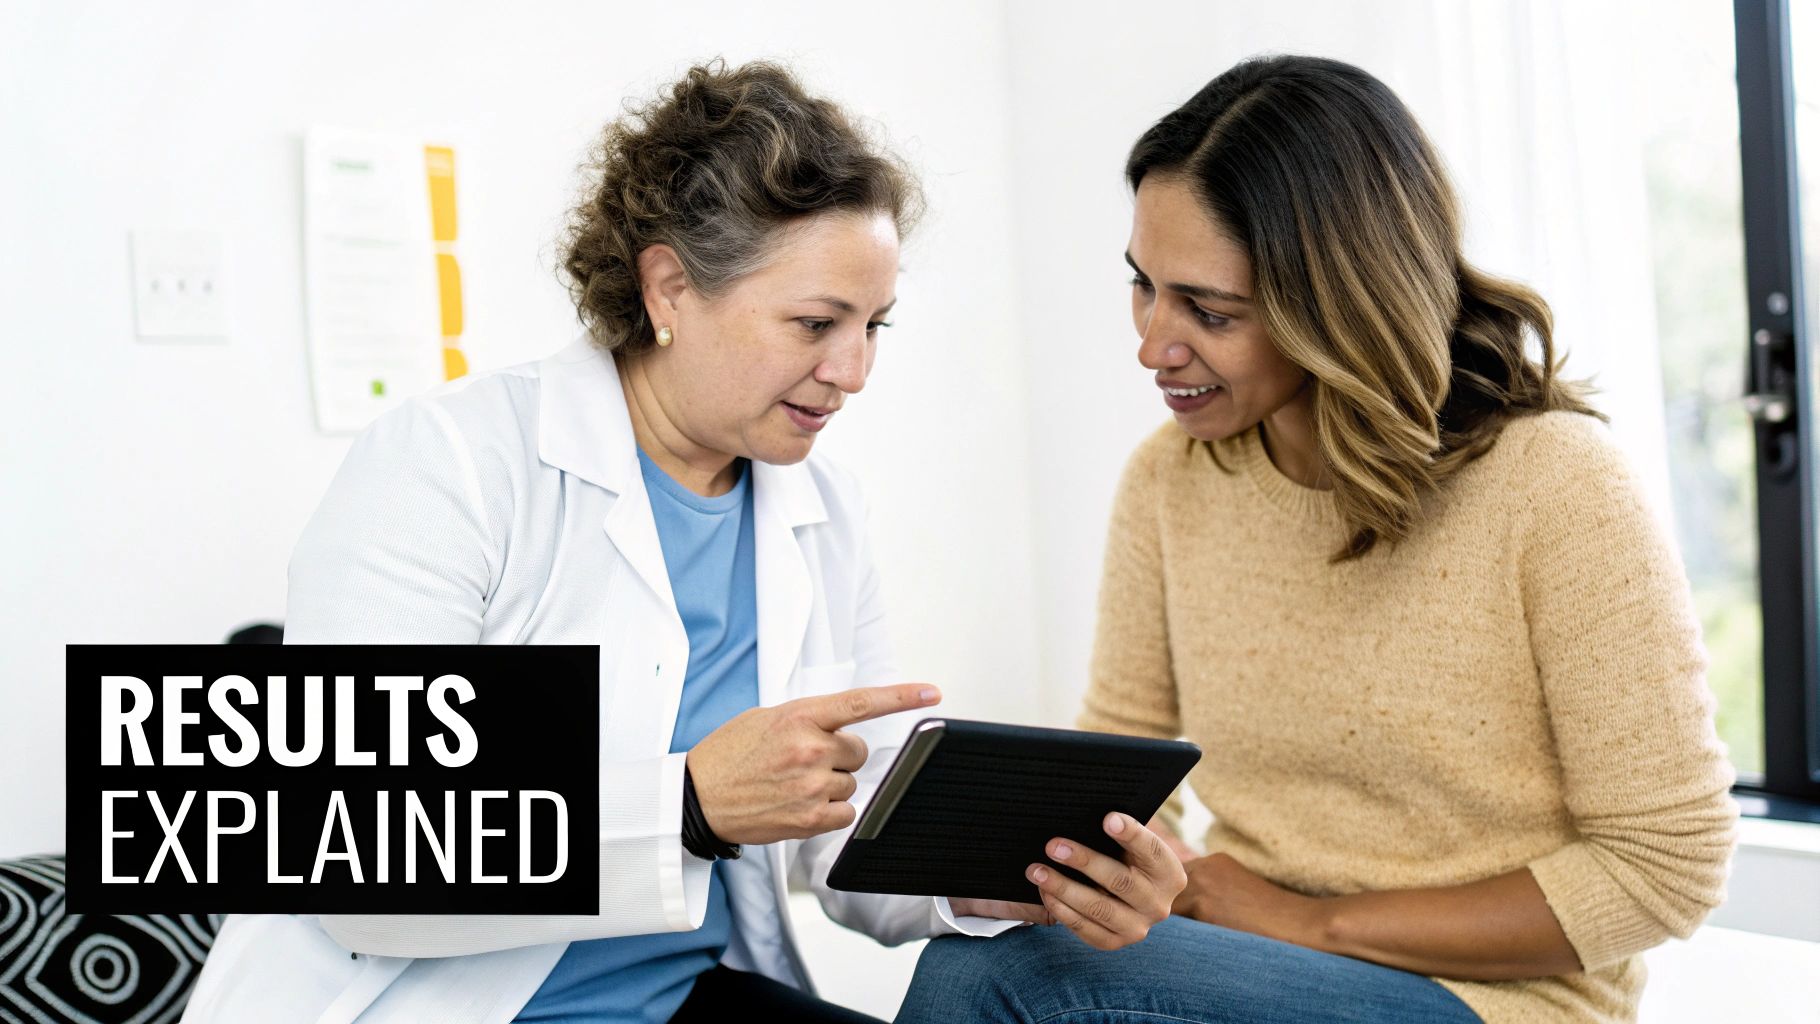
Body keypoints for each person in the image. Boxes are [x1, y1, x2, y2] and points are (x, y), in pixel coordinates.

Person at [179, 60, 1179, 1024]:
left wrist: (1023, 876)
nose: (853, 368)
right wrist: (689, 804)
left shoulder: (819, 508)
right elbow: (360, 861)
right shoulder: (448, 461)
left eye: (876, 323)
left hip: (678, 998)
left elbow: (845, 844)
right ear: (666, 288)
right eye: (815, 322)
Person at [898, 54, 1738, 1024]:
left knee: (990, 982)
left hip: (1494, 1004)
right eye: (1144, 286)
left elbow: (1662, 867)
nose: (1151, 343)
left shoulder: (1553, 484)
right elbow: (1126, 788)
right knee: (992, 951)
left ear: (1335, 304)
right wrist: (1092, 876)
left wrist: (1305, 920)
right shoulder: (1171, 479)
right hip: (1243, 958)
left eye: (1207, 311)